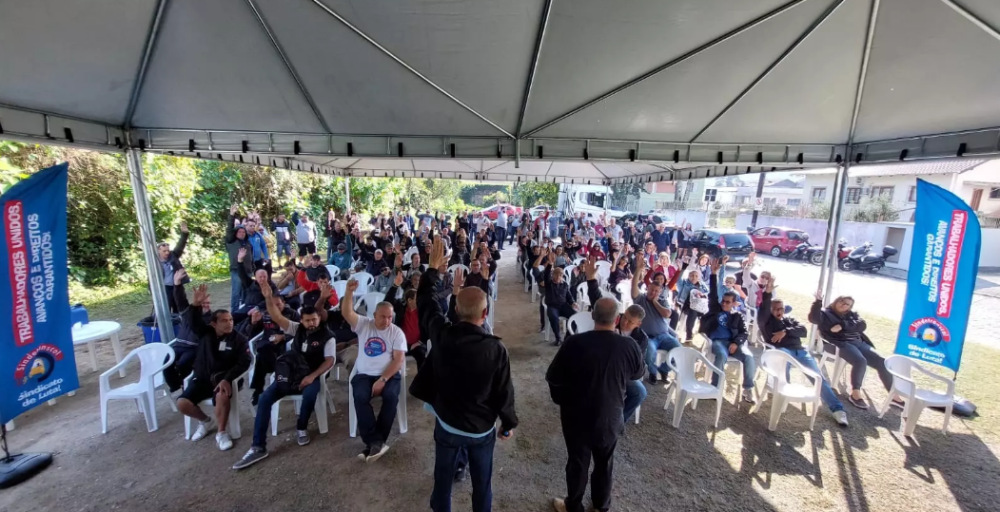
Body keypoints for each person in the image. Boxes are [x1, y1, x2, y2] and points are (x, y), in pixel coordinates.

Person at [411, 240, 517, 512]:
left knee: (442, 481)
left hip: (447, 424)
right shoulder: (496, 349)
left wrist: (432, 271)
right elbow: (504, 393)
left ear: (456, 310)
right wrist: (507, 424)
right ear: (485, 313)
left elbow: (426, 303)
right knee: (482, 484)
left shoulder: (442, 335)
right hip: (481, 430)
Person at [546, 295, 645, 512]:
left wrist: (561, 400)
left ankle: (573, 506)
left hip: (576, 416)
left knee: (577, 463)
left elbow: (553, 377)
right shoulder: (629, 345)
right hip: (611, 414)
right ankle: (601, 506)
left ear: (592, 315)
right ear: (617, 319)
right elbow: (638, 373)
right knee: (605, 462)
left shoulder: (574, 342)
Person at [232, 280, 336, 469]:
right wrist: (267, 298)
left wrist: (312, 376)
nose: (311, 323)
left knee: (310, 395)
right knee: (265, 398)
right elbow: (277, 317)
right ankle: (258, 446)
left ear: (318, 319)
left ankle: (302, 427)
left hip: (313, 373)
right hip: (291, 372)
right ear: (301, 321)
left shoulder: (327, 336)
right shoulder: (296, 329)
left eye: (314, 319)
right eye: (307, 320)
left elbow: (329, 360)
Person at [758, 277, 848, 426]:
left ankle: (837, 410)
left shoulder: (790, 320)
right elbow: (763, 310)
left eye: (781, 308)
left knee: (818, 377)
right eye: (775, 309)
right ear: (770, 310)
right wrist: (767, 293)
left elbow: (803, 330)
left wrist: (785, 332)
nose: (778, 311)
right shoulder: (766, 321)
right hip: (781, 351)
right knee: (783, 369)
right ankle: (782, 394)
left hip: (800, 351)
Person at [174, 282, 250, 451]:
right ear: (214, 323)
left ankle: (221, 433)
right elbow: (192, 321)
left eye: (230, 320)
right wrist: (195, 305)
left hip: (224, 380)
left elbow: (245, 362)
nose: (229, 323)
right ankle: (205, 421)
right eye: (224, 321)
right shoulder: (205, 333)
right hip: (201, 379)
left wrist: (227, 378)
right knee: (182, 403)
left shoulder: (239, 339)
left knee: (222, 395)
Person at [342, 278, 408, 462]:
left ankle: (373, 444)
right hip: (364, 374)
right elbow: (347, 312)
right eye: (383, 317)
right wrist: (349, 292)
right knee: (360, 396)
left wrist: (383, 379)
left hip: (389, 375)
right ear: (374, 314)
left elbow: (399, 360)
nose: (387, 321)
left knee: (391, 397)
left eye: (390, 317)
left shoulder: (396, 332)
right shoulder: (364, 324)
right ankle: (375, 442)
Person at [581, 260, 647, 423]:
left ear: (638, 324)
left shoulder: (641, 338)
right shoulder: (614, 319)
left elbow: (637, 365)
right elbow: (598, 301)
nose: (625, 322)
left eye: (630, 322)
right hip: (599, 364)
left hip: (621, 373)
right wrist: (591, 279)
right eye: (625, 318)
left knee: (640, 392)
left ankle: (619, 421)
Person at [809, 291, 899, 410]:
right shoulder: (825, 313)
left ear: (850, 307)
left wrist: (843, 325)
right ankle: (855, 394)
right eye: (842, 301)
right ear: (836, 301)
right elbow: (814, 319)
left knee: (882, 361)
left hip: (859, 342)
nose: (844, 305)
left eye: (847, 304)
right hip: (840, 344)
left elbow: (862, 325)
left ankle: (893, 396)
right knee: (860, 361)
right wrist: (817, 302)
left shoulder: (852, 314)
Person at [700, 258, 756, 405]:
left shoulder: (737, 316)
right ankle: (715, 387)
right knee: (721, 355)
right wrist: (713, 274)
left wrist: (736, 343)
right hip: (718, 341)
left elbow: (744, 333)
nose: (724, 303)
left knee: (749, 357)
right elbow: (713, 293)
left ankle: (748, 389)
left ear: (734, 303)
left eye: (727, 302)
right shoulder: (715, 309)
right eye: (723, 301)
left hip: (733, 343)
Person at [632, 251, 681, 383]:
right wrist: (638, 269)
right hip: (648, 337)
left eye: (656, 291)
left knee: (679, 351)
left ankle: (664, 370)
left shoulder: (662, 301)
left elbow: (667, 314)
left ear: (660, 292)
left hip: (664, 335)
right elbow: (634, 286)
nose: (653, 292)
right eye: (651, 290)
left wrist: (655, 302)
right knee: (650, 354)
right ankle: (653, 373)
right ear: (648, 288)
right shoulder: (640, 299)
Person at [384, 272, 429, 369]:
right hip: (400, 344)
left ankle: (421, 377)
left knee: (421, 356)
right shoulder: (401, 308)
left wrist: (420, 342)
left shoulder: (422, 311)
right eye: (417, 299)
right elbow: (387, 301)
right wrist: (395, 286)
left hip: (417, 344)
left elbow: (427, 329)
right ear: (409, 300)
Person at [536, 249, 577, 345]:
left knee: (575, 317)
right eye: (557, 274)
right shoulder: (549, 283)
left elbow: (569, 296)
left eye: (561, 275)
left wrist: (573, 303)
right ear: (553, 275)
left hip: (563, 306)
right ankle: (558, 338)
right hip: (552, 306)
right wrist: (550, 264)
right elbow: (546, 275)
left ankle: (568, 337)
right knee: (554, 318)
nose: (559, 276)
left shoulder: (564, 284)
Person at [225, 205, 252, 312]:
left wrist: (253, 268)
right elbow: (229, 230)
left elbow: (250, 257)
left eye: (243, 232)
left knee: (247, 291)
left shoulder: (247, 243)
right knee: (236, 292)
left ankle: (244, 310)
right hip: (236, 269)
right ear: (235, 233)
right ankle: (234, 312)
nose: (241, 233)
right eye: (239, 232)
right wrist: (231, 215)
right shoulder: (231, 241)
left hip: (248, 270)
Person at [158, 221, 189, 313]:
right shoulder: (155, 262)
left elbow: (180, 245)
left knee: (179, 307)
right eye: (164, 251)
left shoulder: (173, 256)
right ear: (158, 251)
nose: (167, 253)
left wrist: (185, 234)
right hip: (165, 288)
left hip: (176, 286)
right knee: (166, 309)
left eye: (168, 250)